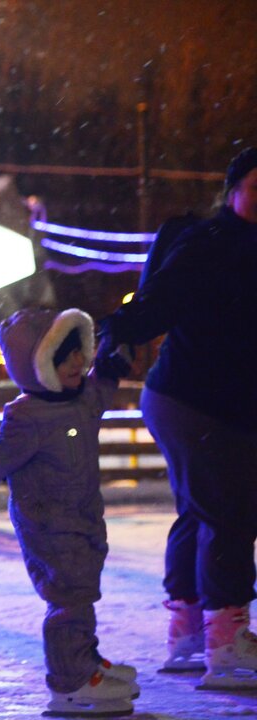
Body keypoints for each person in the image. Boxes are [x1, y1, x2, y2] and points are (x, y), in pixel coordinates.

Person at [97, 147, 257, 690]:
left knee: (202, 509)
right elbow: (161, 298)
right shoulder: (210, 244)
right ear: (232, 190)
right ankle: (227, 641)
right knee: (230, 514)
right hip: (193, 400)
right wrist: (119, 330)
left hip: (216, 401)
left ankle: (189, 633)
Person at [0, 308, 139, 716]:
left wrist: (112, 361)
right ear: (36, 366)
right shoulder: (29, 418)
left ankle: (84, 660)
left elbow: (102, 387)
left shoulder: (82, 397)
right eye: (63, 356)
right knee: (68, 597)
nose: (77, 363)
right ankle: (69, 682)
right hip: (48, 525)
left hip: (84, 517)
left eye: (79, 353)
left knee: (82, 593)